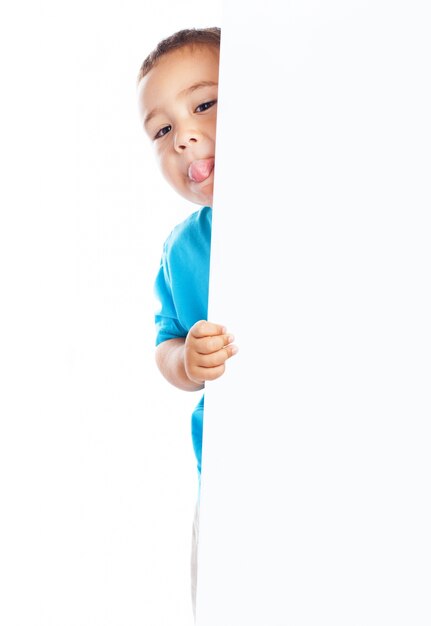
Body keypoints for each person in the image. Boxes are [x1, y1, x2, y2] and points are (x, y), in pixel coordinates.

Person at [137, 27, 237, 618]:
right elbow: (165, 341)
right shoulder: (182, 248)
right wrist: (186, 361)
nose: (184, 138)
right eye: (162, 130)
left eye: (204, 104)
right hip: (224, 474)